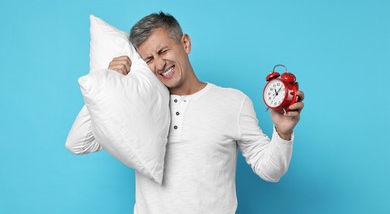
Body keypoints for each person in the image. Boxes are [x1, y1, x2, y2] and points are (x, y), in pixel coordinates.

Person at [69, 12, 304, 214]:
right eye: (149, 59)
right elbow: (80, 144)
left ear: (185, 43)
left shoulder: (233, 101)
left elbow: (270, 170)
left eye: (163, 51)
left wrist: (283, 134)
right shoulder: (140, 103)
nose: (160, 64)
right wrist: (108, 83)